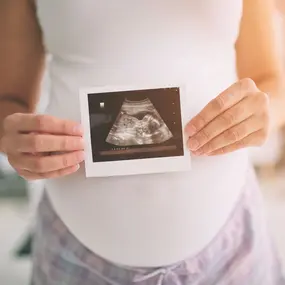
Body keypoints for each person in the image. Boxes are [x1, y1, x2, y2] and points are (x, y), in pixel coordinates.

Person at [1, 0, 285, 284]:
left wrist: (266, 113)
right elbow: (9, 99)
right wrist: (11, 137)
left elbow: (269, 81)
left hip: (229, 250)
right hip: (73, 253)